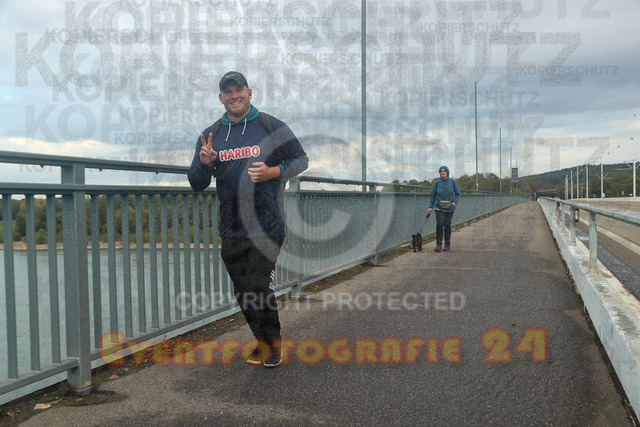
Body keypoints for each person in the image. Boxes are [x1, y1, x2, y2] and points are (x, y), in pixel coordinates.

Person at [188, 71, 309, 367]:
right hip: (231, 227)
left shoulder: (271, 126)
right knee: (243, 290)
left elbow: (301, 160)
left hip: (267, 224)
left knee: (257, 284)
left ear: (249, 92)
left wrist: (274, 172)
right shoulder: (212, 134)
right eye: (228, 92)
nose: (234, 96)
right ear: (221, 98)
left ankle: (273, 345)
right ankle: (261, 341)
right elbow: (196, 183)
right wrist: (204, 164)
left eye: (239, 90)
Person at [427, 166, 461, 252]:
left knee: (447, 225)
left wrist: (454, 203)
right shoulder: (437, 183)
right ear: (439, 173)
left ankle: (447, 245)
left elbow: (458, 194)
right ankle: (438, 245)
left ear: (447, 172)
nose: (443, 172)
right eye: (441, 171)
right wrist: (430, 207)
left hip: (450, 207)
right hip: (439, 207)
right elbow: (433, 195)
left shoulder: (452, 182)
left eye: (445, 171)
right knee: (439, 224)